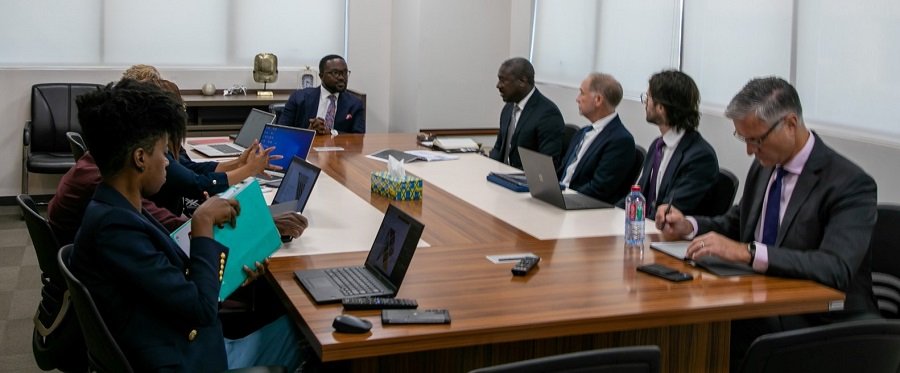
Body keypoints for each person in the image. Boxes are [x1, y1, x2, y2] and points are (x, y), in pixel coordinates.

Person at [69, 79, 303, 371]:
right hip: (189, 358)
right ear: (140, 158)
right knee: (307, 333)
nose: (168, 163)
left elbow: (172, 283)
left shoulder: (117, 209)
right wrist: (202, 222)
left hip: (179, 342)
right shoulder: (115, 229)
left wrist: (228, 270)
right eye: (163, 153)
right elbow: (201, 310)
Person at [655, 77, 879, 368]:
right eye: (744, 139)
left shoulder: (849, 184)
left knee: (705, 333)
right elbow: (739, 223)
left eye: (756, 139)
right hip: (761, 298)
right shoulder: (766, 166)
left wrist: (749, 253)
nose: (750, 150)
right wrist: (690, 226)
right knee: (682, 319)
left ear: (790, 124)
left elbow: (834, 268)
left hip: (821, 318)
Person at [618, 70, 718, 217]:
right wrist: (610, 215)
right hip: (641, 230)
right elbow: (636, 196)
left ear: (661, 107)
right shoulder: (657, 146)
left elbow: (669, 213)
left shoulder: (700, 157)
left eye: (648, 97)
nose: (645, 102)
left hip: (668, 236)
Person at [556, 72, 635, 204]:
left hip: (583, 208)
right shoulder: (582, 132)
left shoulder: (620, 140)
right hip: (561, 199)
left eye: (582, 93)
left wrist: (563, 198)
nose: (577, 99)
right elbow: (564, 172)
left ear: (598, 100)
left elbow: (599, 189)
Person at [489, 57, 565, 169]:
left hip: (524, 182)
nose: (498, 85)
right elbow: (498, 148)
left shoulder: (548, 114)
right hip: (500, 178)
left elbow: (547, 166)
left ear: (522, 82)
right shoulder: (508, 109)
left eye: (503, 80)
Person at [278, 54, 366, 134]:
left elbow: (359, 138)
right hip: (306, 149)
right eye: (335, 73)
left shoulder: (355, 104)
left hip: (339, 150)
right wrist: (308, 132)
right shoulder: (299, 98)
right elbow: (281, 131)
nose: (342, 78)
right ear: (321, 76)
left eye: (344, 73)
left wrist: (331, 133)